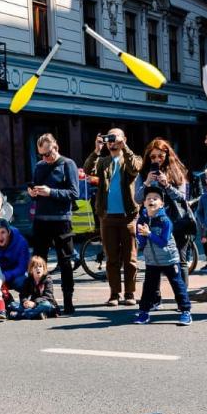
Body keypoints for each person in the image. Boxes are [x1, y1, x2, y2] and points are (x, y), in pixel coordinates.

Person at [83, 127, 143, 306]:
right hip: (107, 216)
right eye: (109, 138)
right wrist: (96, 150)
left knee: (130, 258)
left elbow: (135, 168)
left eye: (114, 138)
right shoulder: (103, 161)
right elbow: (88, 170)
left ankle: (130, 293)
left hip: (128, 216)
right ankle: (114, 294)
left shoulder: (131, 158)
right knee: (111, 259)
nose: (111, 141)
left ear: (123, 139)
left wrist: (125, 147)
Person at [28, 133, 80, 315]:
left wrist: (51, 192)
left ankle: (68, 301)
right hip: (41, 220)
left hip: (61, 221)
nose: (45, 158)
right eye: (41, 155)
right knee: (37, 262)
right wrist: (32, 192)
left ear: (56, 147)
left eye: (47, 154)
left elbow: (74, 193)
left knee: (65, 262)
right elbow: (34, 185)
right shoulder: (40, 166)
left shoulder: (68, 164)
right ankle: (37, 299)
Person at [133, 186, 192, 326]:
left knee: (177, 285)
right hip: (152, 261)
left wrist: (149, 234)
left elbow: (163, 242)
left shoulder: (165, 221)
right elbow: (141, 243)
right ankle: (144, 312)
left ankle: (186, 312)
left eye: (155, 198)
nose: (151, 200)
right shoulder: (142, 220)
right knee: (148, 288)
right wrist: (140, 235)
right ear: (144, 203)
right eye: (148, 198)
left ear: (161, 204)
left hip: (169, 259)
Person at [133, 138, 193, 276]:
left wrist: (167, 185)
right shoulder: (143, 174)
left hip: (176, 220)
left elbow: (182, 198)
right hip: (154, 223)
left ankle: (182, 297)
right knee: (154, 262)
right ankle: (155, 296)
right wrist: (147, 182)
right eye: (153, 156)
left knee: (180, 261)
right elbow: (137, 199)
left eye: (161, 155)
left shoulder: (177, 171)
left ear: (167, 155)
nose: (157, 159)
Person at [0, 218, 31, 293]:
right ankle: (6, 300)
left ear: (9, 232)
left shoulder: (21, 242)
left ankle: (25, 301)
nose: (0, 237)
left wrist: (5, 276)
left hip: (16, 275)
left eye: (3, 232)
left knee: (24, 283)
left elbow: (22, 267)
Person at [14, 256, 58, 320]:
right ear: (31, 269)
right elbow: (23, 294)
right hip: (33, 305)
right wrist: (25, 301)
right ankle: (37, 315)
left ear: (44, 268)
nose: (38, 269)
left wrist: (35, 303)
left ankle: (22, 315)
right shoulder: (28, 280)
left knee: (46, 305)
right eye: (35, 267)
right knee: (14, 305)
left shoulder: (47, 280)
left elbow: (48, 296)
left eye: (40, 266)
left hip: (46, 303)